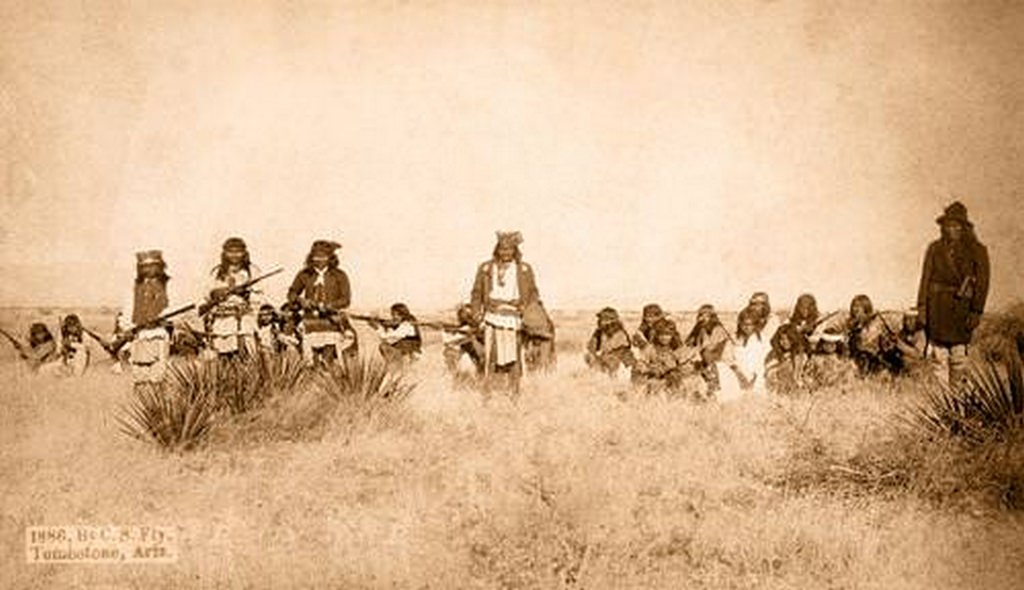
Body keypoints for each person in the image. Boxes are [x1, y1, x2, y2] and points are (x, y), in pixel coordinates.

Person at [917, 201, 990, 386]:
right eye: (948, 225)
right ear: (943, 227)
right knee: (938, 358)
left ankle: (959, 399)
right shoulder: (934, 249)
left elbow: (982, 284)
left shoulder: (977, 251)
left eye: (957, 225)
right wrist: (922, 308)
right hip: (937, 308)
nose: (952, 229)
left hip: (961, 310)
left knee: (958, 357)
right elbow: (925, 279)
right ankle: (942, 402)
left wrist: (976, 311)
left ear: (964, 227)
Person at [469, 231, 550, 383]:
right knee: (492, 356)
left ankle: (514, 394)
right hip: (492, 316)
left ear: (515, 250)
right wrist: (476, 313)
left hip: (514, 318)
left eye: (509, 249)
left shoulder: (524, 269)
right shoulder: (486, 268)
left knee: (514, 356)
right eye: (502, 249)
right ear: (497, 250)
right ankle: (490, 392)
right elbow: (477, 292)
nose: (505, 252)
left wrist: (526, 309)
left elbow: (533, 292)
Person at [287, 240, 355, 366]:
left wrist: (330, 305)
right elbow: (291, 294)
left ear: (330, 258)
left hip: (331, 321)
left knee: (328, 356)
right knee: (310, 359)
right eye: (315, 256)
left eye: (323, 256)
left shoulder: (339, 275)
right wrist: (301, 301)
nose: (319, 260)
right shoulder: (304, 275)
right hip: (310, 320)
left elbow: (346, 299)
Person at [203, 237, 264, 359]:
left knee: (247, 350)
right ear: (224, 253)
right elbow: (207, 294)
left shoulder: (252, 271)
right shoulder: (216, 272)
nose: (234, 255)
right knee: (222, 352)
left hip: (244, 316)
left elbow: (259, 295)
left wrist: (245, 293)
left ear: (244, 253)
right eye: (230, 251)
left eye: (238, 251)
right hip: (222, 318)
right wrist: (220, 293)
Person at [120, 250, 172, 386]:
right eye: (144, 266)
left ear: (160, 266)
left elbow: (174, 309)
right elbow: (127, 310)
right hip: (140, 335)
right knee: (139, 376)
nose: (148, 269)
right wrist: (128, 329)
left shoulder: (169, 286)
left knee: (158, 376)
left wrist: (164, 320)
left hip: (159, 335)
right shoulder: (133, 288)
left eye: (152, 265)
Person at [683, 304, 731, 394]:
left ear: (711, 316)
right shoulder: (700, 329)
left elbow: (718, 348)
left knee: (705, 355)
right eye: (700, 315)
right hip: (703, 357)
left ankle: (713, 381)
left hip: (717, 357)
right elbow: (689, 344)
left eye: (706, 315)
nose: (702, 318)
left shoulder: (718, 329)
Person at [632, 317, 688, 394]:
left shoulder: (676, 349)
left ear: (673, 335)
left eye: (667, 335)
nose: (664, 338)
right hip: (654, 378)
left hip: (672, 379)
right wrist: (651, 369)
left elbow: (685, 365)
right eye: (661, 335)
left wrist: (672, 368)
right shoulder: (651, 348)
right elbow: (641, 364)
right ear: (656, 335)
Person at [731, 306, 772, 395]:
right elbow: (730, 360)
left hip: (757, 377)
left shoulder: (763, 340)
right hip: (737, 376)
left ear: (755, 325)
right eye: (744, 324)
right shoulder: (733, 338)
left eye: (750, 324)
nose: (746, 327)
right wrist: (739, 375)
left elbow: (766, 361)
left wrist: (754, 378)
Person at [584, 307, 635, 377]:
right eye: (601, 319)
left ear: (611, 320)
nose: (601, 321)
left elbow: (623, 351)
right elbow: (591, 348)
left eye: (604, 319)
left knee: (612, 360)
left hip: (620, 361)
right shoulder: (599, 332)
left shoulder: (620, 332)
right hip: (605, 359)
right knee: (589, 356)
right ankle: (599, 375)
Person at [442, 303, 485, 377]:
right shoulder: (469, 329)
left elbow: (448, 341)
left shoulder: (471, 330)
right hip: (472, 359)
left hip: (473, 360)